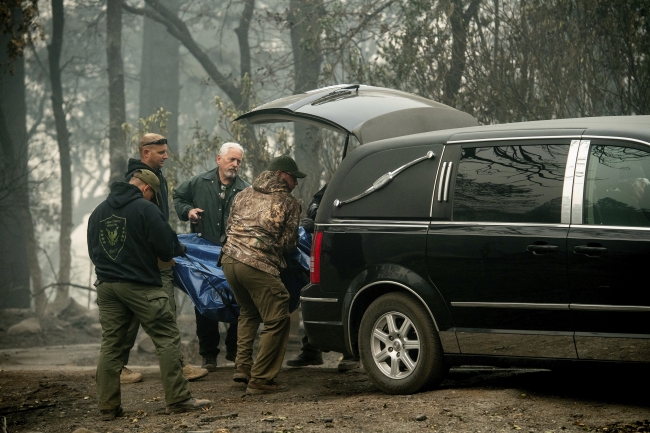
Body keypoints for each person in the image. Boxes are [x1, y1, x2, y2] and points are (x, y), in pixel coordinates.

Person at [87, 169, 211, 420]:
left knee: (111, 345)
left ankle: (107, 406)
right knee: (166, 337)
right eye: (153, 193)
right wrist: (178, 248)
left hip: (108, 286)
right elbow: (166, 248)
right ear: (146, 188)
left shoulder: (99, 211)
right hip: (141, 285)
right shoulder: (146, 209)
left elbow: (93, 249)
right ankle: (178, 399)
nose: (152, 198)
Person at [120, 133, 208, 384]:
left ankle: (175, 364)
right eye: (160, 152)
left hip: (156, 256)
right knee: (142, 314)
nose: (166, 156)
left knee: (161, 311)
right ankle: (119, 366)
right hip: (144, 260)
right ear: (145, 152)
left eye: (166, 151)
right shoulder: (134, 182)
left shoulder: (157, 177)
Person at [221, 155, 305, 394]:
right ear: (280, 174)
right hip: (257, 264)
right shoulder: (288, 202)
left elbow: (229, 227)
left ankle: (243, 368)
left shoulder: (243, 193)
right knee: (278, 315)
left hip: (229, 260)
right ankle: (261, 379)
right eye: (293, 177)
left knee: (248, 312)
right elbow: (289, 244)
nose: (296, 183)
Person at [173, 142, 249, 371]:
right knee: (204, 301)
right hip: (203, 252)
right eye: (231, 160)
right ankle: (208, 354)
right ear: (219, 159)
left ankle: (235, 351)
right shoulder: (198, 182)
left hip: (233, 253)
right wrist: (188, 211)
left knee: (239, 300)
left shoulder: (246, 189)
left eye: (238, 161)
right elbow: (178, 196)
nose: (235, 165)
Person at [286, 184, 360, 372]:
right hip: (327, 244)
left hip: (354, 244)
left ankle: (351, 354)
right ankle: (311, 350)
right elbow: (317, 200)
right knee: (318, 294)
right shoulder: (346, 176)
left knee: (349, 297)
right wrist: (317, 215)